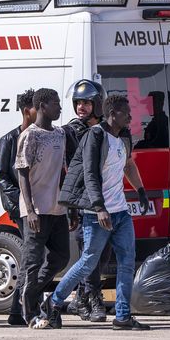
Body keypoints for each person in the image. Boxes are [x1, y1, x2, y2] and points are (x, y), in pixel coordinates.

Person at [33, 94, 151, 330]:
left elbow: (128, 164)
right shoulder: (95, 136)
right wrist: (99, 208)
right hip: (97, 213)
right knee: (89, 262)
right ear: (112, 114)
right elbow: (90, 175)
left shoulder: (124, 137)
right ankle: (53, 304)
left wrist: (140, 190)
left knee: (127, 262)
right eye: (126, 112)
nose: (130, 116)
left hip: (120, 212)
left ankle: (123, 316)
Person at [15, 88, 70, 326]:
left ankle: (32, 294)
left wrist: (71, 207)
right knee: (32, 262)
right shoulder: (30, 135)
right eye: (56, 103)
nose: (60, 107)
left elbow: (63, 172)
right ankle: (31, 314)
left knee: (61, 257)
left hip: (57, 208)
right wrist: (30, 209)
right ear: (43, 106)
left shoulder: (60, 134)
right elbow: (22, 173)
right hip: (36, 210)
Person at [62, 79, 112, 322]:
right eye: (78, 102)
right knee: (90, 252)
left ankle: (80, 297)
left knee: (104, 254)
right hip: (83, 201)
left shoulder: (106, 130)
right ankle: (93, 300)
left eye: (87, 102)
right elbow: (67, 171)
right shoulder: (70, 132)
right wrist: (71, 209)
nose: (81, 107)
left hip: (107, 197)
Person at [0, 89, 36, 326]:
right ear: (25, 111)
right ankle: (16, 310)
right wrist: (20, 200)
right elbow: (1, 176)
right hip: (21, 207)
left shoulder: (39, 136)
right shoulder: (8, 140)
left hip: (38, 206)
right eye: (34, 107)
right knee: (31, 256)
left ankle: (24, 307)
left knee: (36, 256)